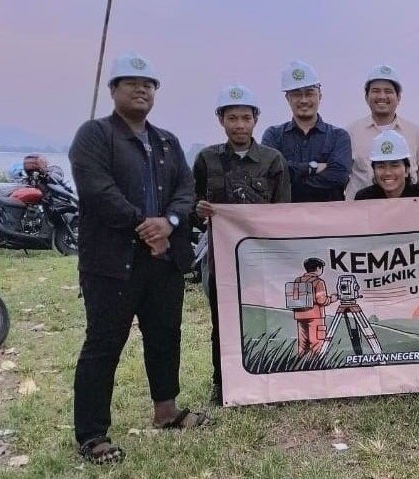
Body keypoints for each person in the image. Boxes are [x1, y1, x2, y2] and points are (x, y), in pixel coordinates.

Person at [68, 52, 208, 465]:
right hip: (112, 262)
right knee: (104, 343)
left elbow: (186, 189)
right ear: (113, 90)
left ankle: (166, 411)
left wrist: (170, 222)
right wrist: (144, 226)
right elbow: (97, 190)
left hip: (164, 261)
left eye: (148, 85)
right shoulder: (94, 136)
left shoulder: (167, 141)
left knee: (165, 335)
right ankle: (92, 434)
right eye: (131, 83)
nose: (141, 90)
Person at [192, 84, 290, 404]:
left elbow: (283, 211)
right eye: (232, 118)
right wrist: (197, 209)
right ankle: (222, 383)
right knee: (223, 319)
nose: (239, 125)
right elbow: (190, 202)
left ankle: (267, 379)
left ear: (255, 120)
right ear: (221, 119)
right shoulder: (206, 159)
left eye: (245, 118)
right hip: (220, 256)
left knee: (265, 315)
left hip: (262, 256)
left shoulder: (273, 160)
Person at [261, 60, 351, 202]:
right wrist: (312, 168)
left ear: (319, 96)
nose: (303, 100)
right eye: (297, 94)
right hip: (285, 215)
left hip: (329, 215)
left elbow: (339, 177)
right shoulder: (273, 135)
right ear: (287, 98)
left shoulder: (339, 136)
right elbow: (270, 176)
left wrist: (290, 180)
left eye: (309, 93)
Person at [345, 64, 419, 200]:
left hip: (407, 210)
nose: (382, 96)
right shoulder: (350, 133)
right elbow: (341, 177)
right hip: (362, 208)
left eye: (388, 91)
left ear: (398, 98)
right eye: (376, 91)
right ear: (366, 97)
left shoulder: (416, 133)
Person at [354, 130, 419, 200]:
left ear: (406, 170)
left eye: (394, 165)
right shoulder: (364, 198)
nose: (387, 172)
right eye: (381, 166)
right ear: (373, 170)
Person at [289, 257, 335, 356]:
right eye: (321, 268)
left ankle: (301, 361)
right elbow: (321, 300)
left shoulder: (298, 280)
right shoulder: (318, 282)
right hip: (315, 316)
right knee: (316, 342)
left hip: (300, 315)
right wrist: (332, 299)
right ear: (318, 268)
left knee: (302, 343)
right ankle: (316, 362)